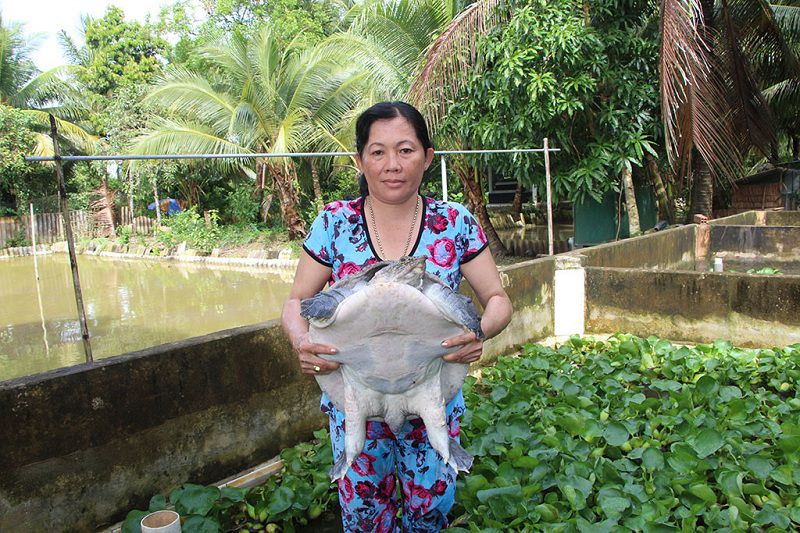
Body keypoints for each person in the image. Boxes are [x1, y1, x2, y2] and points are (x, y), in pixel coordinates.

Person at [281, 101, 513, 532]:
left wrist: (480, 330)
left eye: (406, 150)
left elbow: (498, 297)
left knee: (431, 509)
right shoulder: (335, 222)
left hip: (431, 389)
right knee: (364, 513)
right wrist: (302, 342)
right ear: (359, 160)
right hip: (357, 393)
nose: (392, 165)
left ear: (427, 157)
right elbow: (297, 301)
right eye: (378, 151)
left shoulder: (455, 222)